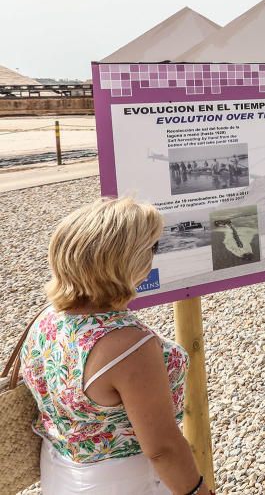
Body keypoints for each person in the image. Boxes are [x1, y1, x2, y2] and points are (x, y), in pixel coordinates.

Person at [19, 197, 211, 495]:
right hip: (127, 481)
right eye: (152, 248)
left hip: (61, 471)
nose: (153, 257)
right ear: (126, 261)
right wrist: (197, 491)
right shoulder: (129, 346)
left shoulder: (46, 318)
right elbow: (162, 448)